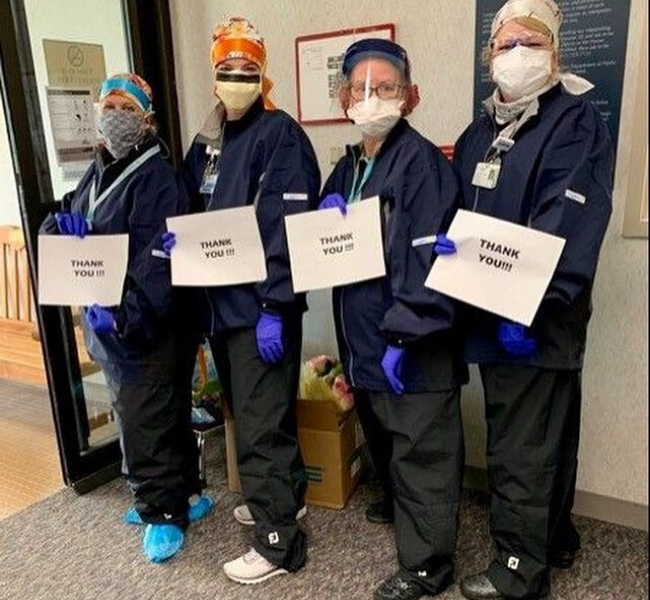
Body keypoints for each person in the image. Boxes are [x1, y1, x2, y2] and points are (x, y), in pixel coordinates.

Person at [439, 1, 614, 598]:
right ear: (490, 56)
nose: (516, 52)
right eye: (504, 42)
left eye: (530, 40)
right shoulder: (479, 131)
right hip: (491, 316)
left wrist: (529, 308)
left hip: (537, 319)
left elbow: (564, 222)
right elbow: (461, 206)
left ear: (555, 52)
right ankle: (553, 538)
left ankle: (518, 573)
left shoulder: (575, 121)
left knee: (522, 449)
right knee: (543, 436)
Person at [168, 17, 320, 585]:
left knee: (261, 428)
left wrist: (277, 306)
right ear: (214, 76)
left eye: (247, 70)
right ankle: (287, 498)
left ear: (263, 74)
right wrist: (173, 237)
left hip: (259, 311)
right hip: (221, 310)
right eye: (227, 70)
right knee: (255, 418)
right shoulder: (209, 140)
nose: (236, 78)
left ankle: (280, 542)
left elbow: (288, 225)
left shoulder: (280, 135)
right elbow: (190, 205)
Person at [40, 73, 214, 563]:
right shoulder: (97, 173)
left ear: (146, 120)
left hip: (147, 326)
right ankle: (190, 493)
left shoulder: (158, 177)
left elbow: (156, 258)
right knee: (156, 415)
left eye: (126, 107)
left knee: (149, 420)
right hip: (112, 326)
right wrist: (60, 224)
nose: (115, 115)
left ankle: (164, 511)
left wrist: (123, 317)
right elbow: (72, 217)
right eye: (108, 104)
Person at [319, 39, 466, 600]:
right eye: (359, 88)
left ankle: (429, 565)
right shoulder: (353, 164)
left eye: (384, 87)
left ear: (409, 96)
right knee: (390, 437)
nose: (370, 97)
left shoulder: (422, 164)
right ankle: (402, 508)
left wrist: (406, 333)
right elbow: (327, 240)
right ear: (343, 98)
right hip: (366, 337)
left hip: (412, 336)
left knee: (423, 447)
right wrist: (325, 215)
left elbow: (426, 259)